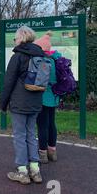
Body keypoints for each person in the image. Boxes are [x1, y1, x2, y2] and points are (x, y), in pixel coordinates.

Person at [0, 26, 45, 185]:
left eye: (15, 38)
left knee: (19, 135)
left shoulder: (18, 56)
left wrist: (3, 104)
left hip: (19, 102)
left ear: (22, 38)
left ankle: (22, 172)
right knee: (31, 134)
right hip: (35, 102)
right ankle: (35, 170)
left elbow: (8, 82)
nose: (15, 40)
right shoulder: (41, 55)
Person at [34, 32, 61, 163]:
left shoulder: (43, 61)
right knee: (51, 124)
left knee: (42, 125)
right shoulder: (56, 59)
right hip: (54, 96)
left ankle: (43, 154)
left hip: (43, 96)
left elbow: (39, 81)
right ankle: (52, 152)